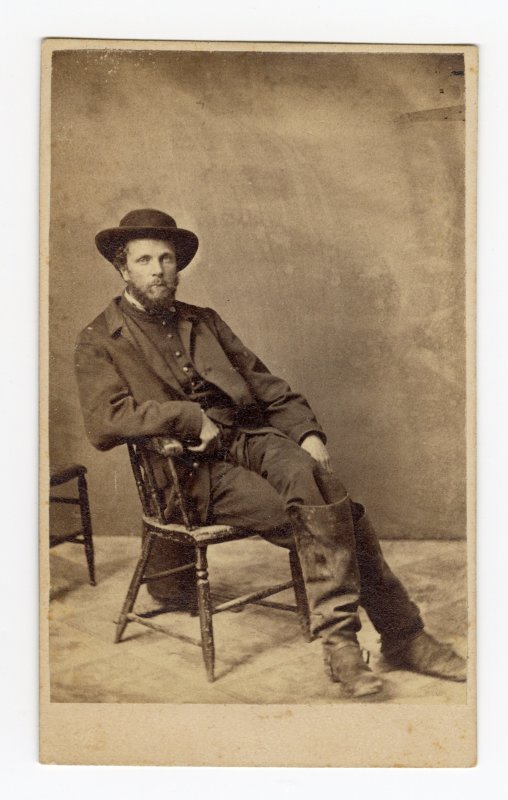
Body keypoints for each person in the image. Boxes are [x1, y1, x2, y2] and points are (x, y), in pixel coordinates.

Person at [75, 208, 466, 698]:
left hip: (249, 438)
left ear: (178, 265)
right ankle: (382, 638)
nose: (158, 270)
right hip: (187, 472)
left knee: (315, 482)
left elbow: (264, 384)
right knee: (336, 513)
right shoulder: (99, 339)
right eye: (144, 260)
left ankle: (362, 642)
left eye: (167, 259)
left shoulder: (204, 320)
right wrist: (188, 417)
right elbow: (105, 421)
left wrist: (307, 433)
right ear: (122, 267)